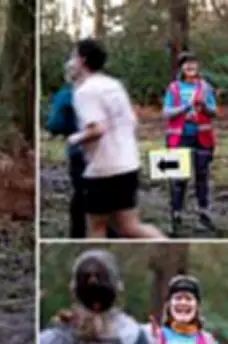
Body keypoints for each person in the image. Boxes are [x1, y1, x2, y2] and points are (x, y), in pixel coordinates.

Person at [67, 38, 166, 239]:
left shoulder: (85, 91)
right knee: (129, 226)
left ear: (82, 60)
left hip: (103, 168)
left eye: (73, 56)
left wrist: (75, 139)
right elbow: (132, 121)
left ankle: (95, 258)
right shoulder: (113, 85)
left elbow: (97, 129)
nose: (70, 62)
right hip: (128, 163)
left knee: (96, 228)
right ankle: (164, 243)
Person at [45, 59, 117, 239]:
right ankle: (111, 232)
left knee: (81, 193)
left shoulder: (66, 94)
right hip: (108, 152)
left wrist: (67, 129)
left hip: (80, 152)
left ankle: (77, 233)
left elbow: (54, 124)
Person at [163, 52, 219, 236]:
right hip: (178, 138)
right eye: (186, 64)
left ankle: (203, 211)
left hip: (202, 138)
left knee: (202, 176)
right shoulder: (174, 88)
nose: (190, 67)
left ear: (198, 66)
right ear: (181, 68)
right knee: (179, 178)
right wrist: (184, 108)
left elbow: (214, 112)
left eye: (193, 63)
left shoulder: (206, 87)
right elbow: (167, 112)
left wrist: (205, 106)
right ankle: (176, 214)